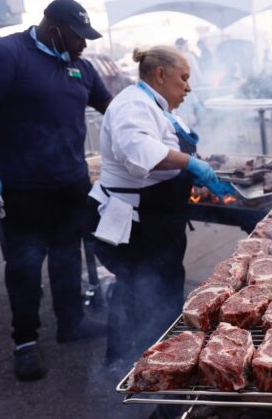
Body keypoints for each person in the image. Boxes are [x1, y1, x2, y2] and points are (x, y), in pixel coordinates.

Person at [0, 0, 112, 382]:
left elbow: (112, 108)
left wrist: (159, 119)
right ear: (54, 28)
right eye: (79, 36)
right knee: (25, 266)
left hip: (70, 181)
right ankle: (25, 342)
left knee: (66, 257)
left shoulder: (79, 66)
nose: (84, 44)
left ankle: (72, 323)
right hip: (22, 186)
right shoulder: (5, 54)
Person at [86, 46, 223, 370]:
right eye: (184, 78)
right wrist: (190, 163)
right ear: (160, 74)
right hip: (134, 222)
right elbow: (139, 151)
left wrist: (191, 172)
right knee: (139, 289)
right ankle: (129, 365)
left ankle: (164, 357)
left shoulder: (155, 105)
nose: (188, 87)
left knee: (163, 287)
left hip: (159, 219)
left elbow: (167, 150)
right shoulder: (132, 104)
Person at [174, 37, 206, 126]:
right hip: (191, 86)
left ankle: (184, 127)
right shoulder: (189, 56)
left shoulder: (173, 58)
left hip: (178, 87)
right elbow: (196, 70)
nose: (187, 46)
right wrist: (201, 81)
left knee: (181, 108)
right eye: (186, 44)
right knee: (191, 107)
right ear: (183, 45)